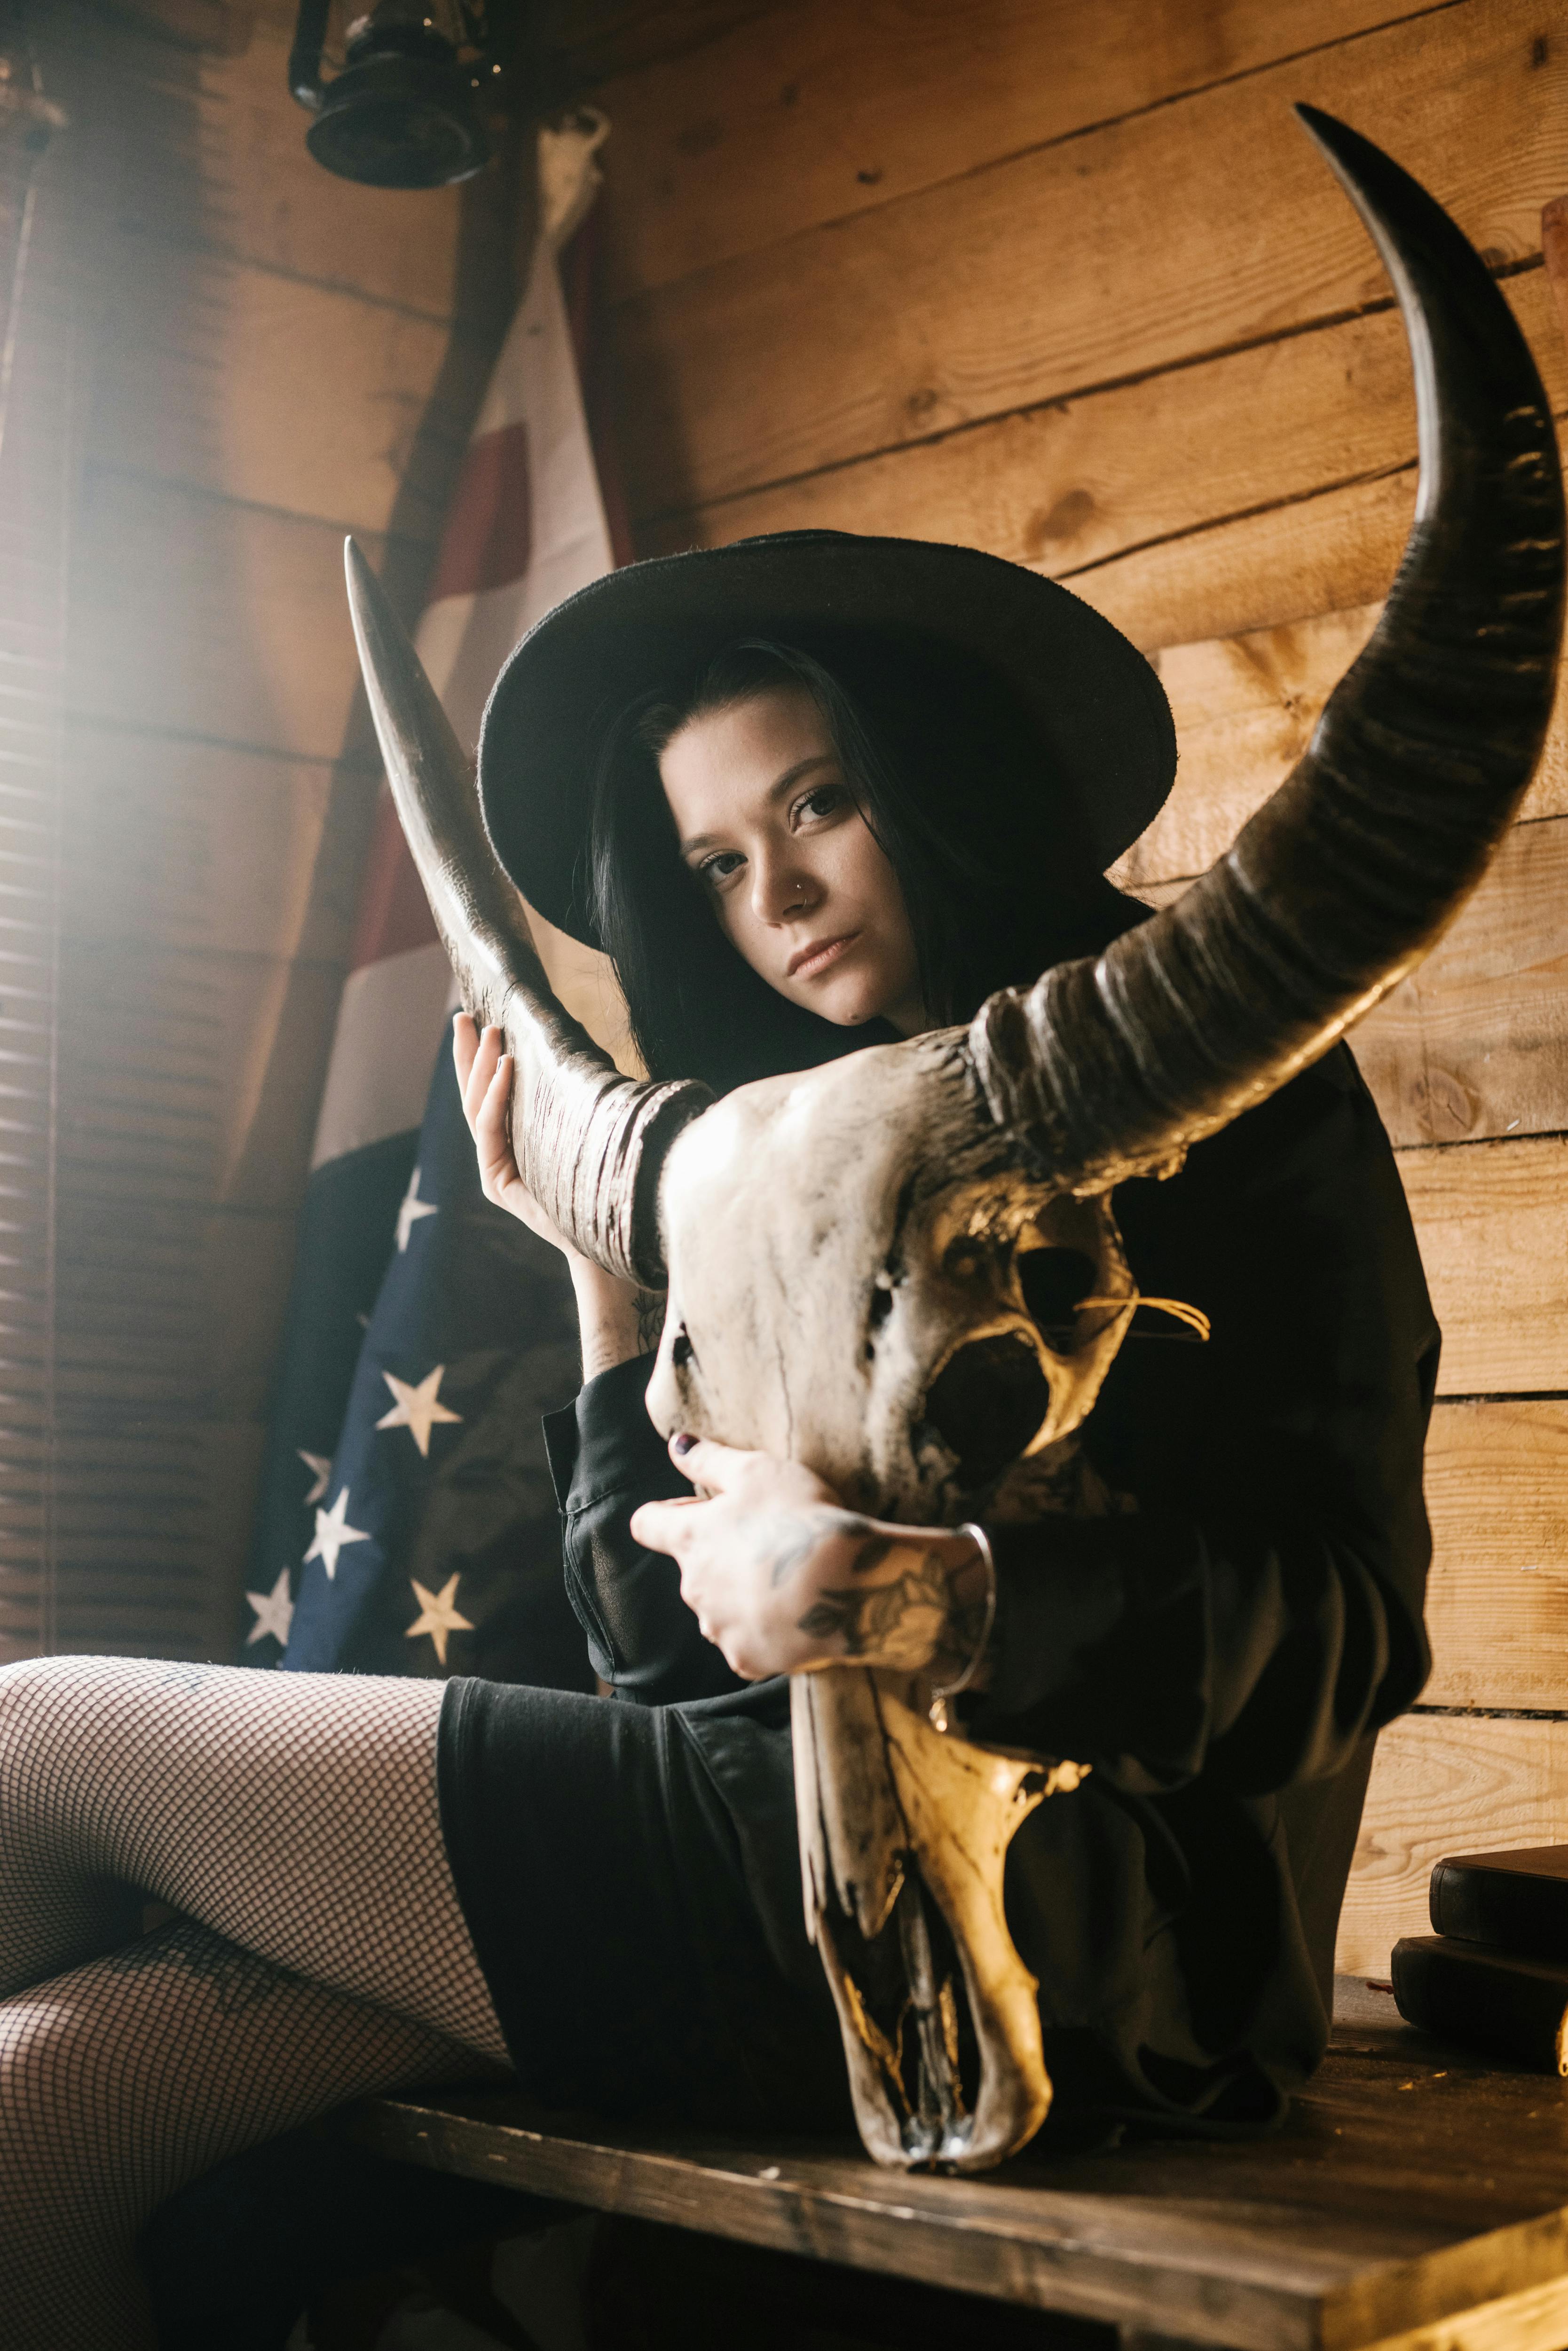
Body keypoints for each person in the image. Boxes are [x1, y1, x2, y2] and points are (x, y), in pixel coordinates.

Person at [0, 532, 1437, 2349]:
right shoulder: (767, 1148)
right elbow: (671, 1671)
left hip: (1096, 1946)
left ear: (932, 770)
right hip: (760, 1839)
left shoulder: (1223, 1093)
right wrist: (610, 1293)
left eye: (819, 802)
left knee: (29, 1733)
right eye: (718, 863)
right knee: (36, 2116)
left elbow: (1345, 1625)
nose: (780, 892)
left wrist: (925, 1598)